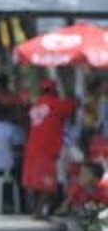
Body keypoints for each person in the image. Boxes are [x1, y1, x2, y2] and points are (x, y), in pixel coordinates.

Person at [24, 79, 78, 219]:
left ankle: (35, 210)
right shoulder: (54, 103)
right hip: (47, 150)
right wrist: (74, 97)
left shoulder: (35, 105)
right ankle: (39, 212)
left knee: (33, 183)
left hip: (32, 148)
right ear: (54, 91)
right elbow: (72, 106)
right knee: (47, 184)